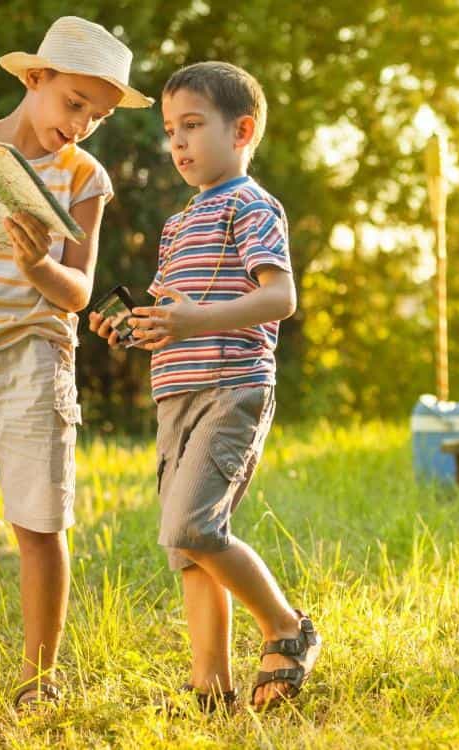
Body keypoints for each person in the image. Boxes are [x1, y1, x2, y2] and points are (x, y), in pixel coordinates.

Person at [0, 16, 152, 711]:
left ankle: (38, 681)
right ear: (35, 79)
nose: (84, 124)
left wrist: (35, 259)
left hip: (34, 359)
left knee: (40, 523)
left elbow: (75, 292)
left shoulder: (83, 177)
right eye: (75, 104)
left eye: (98, 115)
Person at [89, 61, 320, 713]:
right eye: (170, 130)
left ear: (242, 130)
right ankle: (209, 688)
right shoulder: (176, 224)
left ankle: (285, 627)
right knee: (187, 549)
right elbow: (176, 317)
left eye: (192, 125)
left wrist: (196, 319)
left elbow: (279, 297)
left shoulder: (251, 206)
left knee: (193, 526)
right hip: (177, 394)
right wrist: (138, 329)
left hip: (232, 389)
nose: (178, 143)